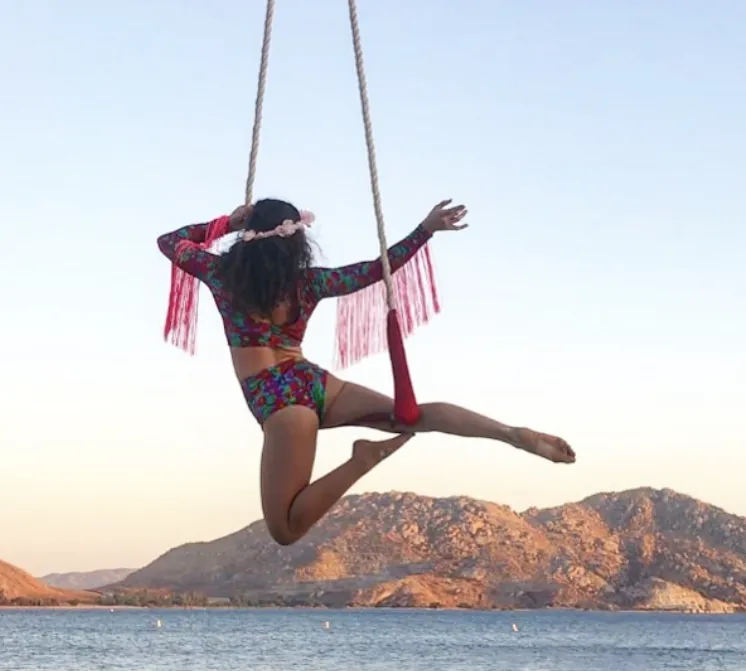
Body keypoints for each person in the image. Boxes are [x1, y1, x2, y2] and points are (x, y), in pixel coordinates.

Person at [157, 198, 576, 546]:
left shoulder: (219, 275)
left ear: (247, 238)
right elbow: (378, 269)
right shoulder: (310, 283)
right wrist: (424, 230)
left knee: (285, 530)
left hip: (278, 402)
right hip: (314, 382)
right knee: (414, 414)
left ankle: (362, 460)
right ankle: (509, 434)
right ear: (297, 241)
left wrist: (225, 222)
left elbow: (169, 241)